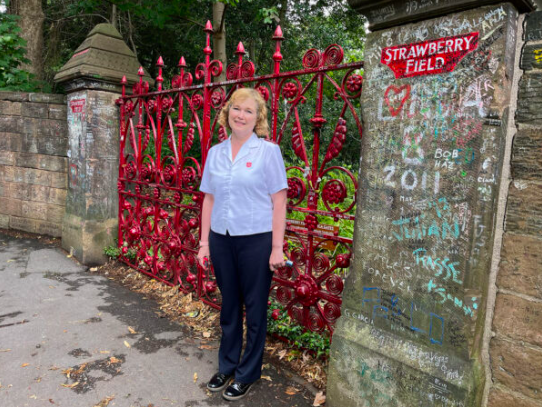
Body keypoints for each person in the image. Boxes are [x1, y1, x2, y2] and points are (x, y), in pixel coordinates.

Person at [197, 87, 288, 401]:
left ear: (257, 118)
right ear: (228, 113)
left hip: (256, 241)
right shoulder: (215, 153)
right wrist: (204, 243)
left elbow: (279, 202)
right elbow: (209, 199)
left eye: (249, 111)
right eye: (237, 108)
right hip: (221, 239)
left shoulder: (268, 152)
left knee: (256, 307)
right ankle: (227, 365)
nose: (241, 115)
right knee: (230, 306)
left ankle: (248, 373)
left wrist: (277, 248)